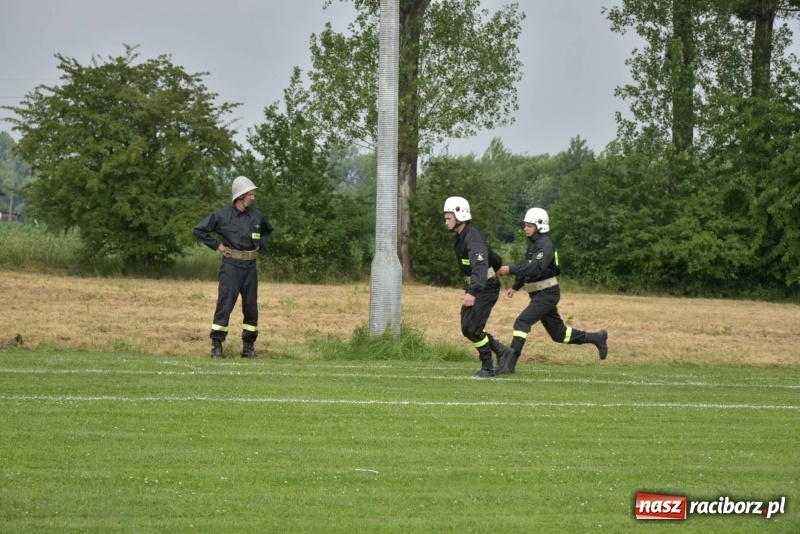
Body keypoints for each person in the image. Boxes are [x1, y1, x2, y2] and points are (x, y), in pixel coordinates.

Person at [496, 207, 608, 373]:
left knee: (522, 322)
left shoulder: (544, 245)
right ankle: (597, 338)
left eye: (529, 225)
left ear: (540, 226)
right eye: (525, 225)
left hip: (547, 294)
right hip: (540, 294)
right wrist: (516, 285)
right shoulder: (533, 244)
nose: (525, 228)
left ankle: (508, 365)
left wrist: (510, 269)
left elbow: (536, 268)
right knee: (559, 334)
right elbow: (528, 266)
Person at [193, 176, 273, 359]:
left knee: (251, 307)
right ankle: (217, 347)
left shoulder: (257, 216)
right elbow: (199, 230)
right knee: (225, 305)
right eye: (251, 194)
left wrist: (260, 243)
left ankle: (248, 348)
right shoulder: (221, 216)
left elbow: (268, 231)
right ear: (241, 196)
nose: (253, 198)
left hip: (250, 267)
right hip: (231, 267)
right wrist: (217, 246)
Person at [443, 196, 516, 378]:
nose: (445, 222)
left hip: (485, 287)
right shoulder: (463, 236)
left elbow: (480, 266)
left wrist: (472, 291)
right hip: (478, 286)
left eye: (448, 218)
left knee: (473, 328)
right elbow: (494, 259)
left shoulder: (472, 238)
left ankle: (488, 367)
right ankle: (502, 351)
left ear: (460, 216)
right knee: (467, 328)